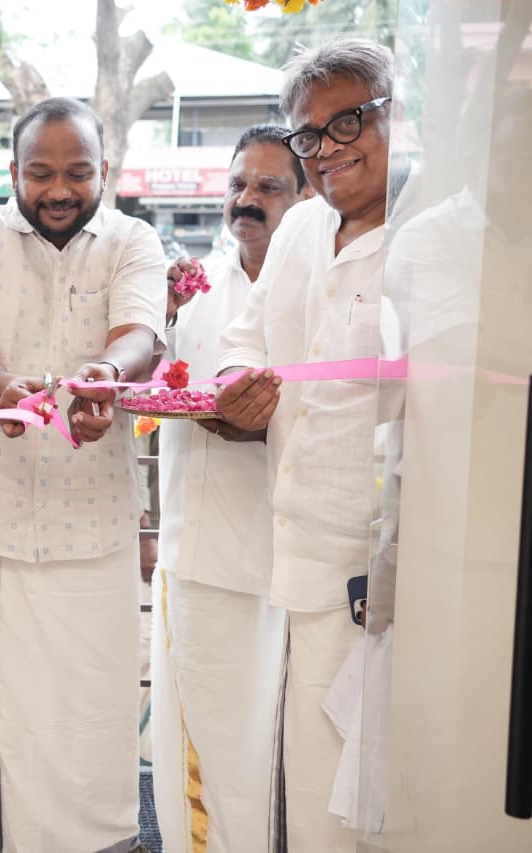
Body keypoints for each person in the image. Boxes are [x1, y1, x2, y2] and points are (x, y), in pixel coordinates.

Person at [0, 96, 167, 853]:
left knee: (97, 704)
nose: (59, 190)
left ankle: (103, 841)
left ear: (105, 170)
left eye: (77, 172)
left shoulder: (133, 240)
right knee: (4, 713)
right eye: (41, 173)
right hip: (0, 520)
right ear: (13, 172)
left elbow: (140, 334)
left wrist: (107, 376)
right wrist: (3, 389)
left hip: (98, 518)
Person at [216, 37, 399, 852]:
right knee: (308, 781)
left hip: (387, 569)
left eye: (347, 121)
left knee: (380, 795)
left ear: (397, 116)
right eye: (309, 134)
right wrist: (237, 386)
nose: (326, 149)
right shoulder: (299, 229)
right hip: (295, 555)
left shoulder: (433, 240)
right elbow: (244, 339)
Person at [149, 125, 311, 853]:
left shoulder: (317, 293)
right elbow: (152, 389)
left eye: (268, 187)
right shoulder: (193, 289)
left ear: (304, 198)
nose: (247, 200)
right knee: (209, 750)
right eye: (237, 185)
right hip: (202, 558)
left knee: (281, 748)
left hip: (295, 567)